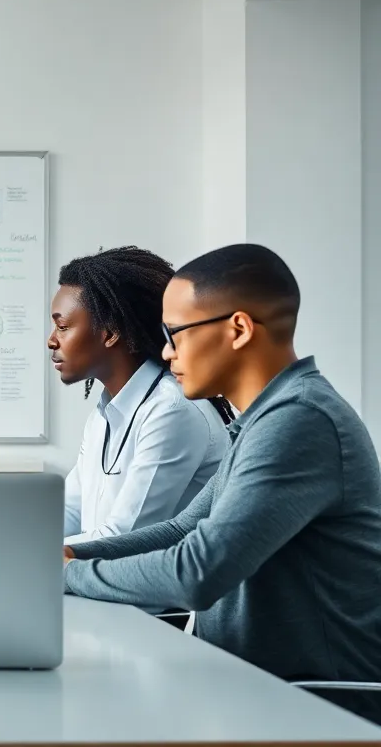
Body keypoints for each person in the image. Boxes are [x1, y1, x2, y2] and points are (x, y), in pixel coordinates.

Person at [63, 244, 381, 704]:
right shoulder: (264, 420)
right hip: (252, 687)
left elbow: (200, 570)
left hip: (316, 704)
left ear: (238, 329)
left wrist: (69, 574)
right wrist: (66, 553)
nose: (166, 352)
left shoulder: (299, 421)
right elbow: (180, 531)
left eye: (175, 333)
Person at [48, 247, 231, 545]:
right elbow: (65, 517)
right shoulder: (103, 415)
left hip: (162, 589)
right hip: (107, 587)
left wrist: (21, 551)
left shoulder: (172, 410)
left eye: (62, 326)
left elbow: (123, 539)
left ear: (110, 332)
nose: (51, 340)